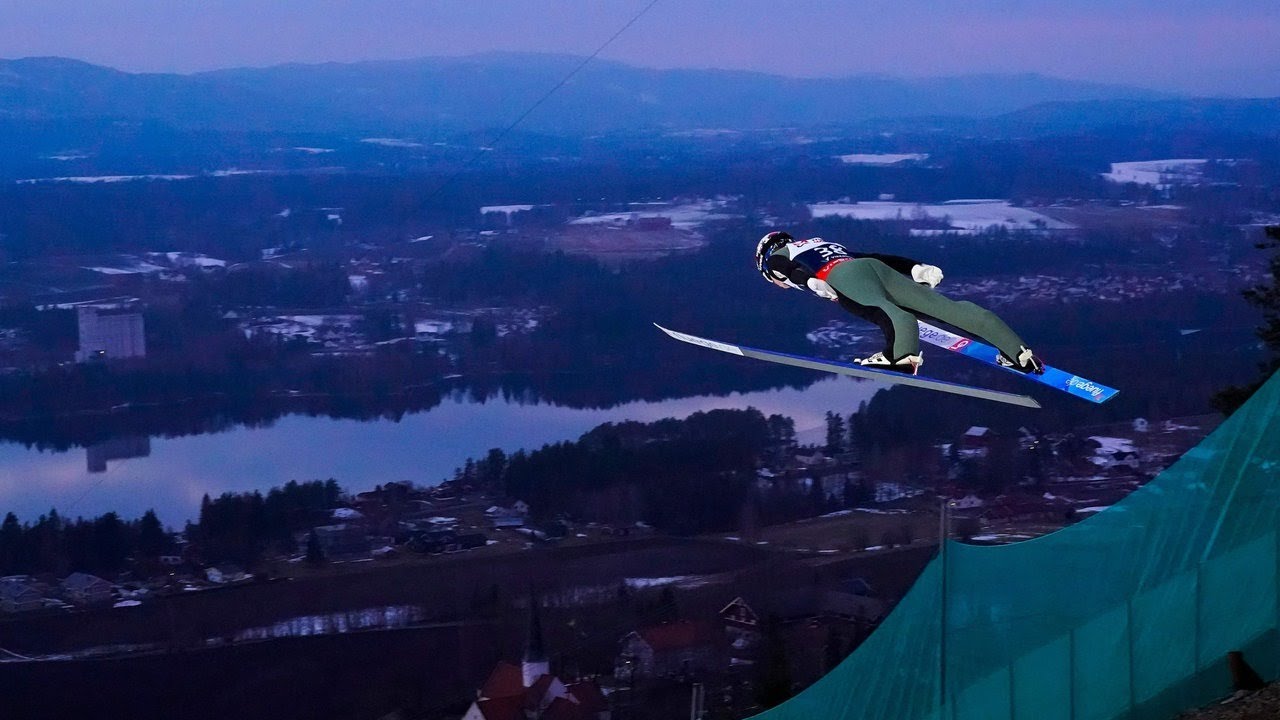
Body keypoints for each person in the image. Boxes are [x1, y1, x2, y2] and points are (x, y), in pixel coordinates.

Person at [755, 231, 1044, 376]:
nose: (777, 285)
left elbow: (788, 270)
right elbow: (873, 257)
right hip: (870, 268)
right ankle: (1018, 353)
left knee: (885, 311)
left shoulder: (777, 256)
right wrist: (916, 268)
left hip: (840, 276)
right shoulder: (820, 244)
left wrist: (810, 283)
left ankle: (902, 356)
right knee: (948, 309)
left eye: (772, 281)